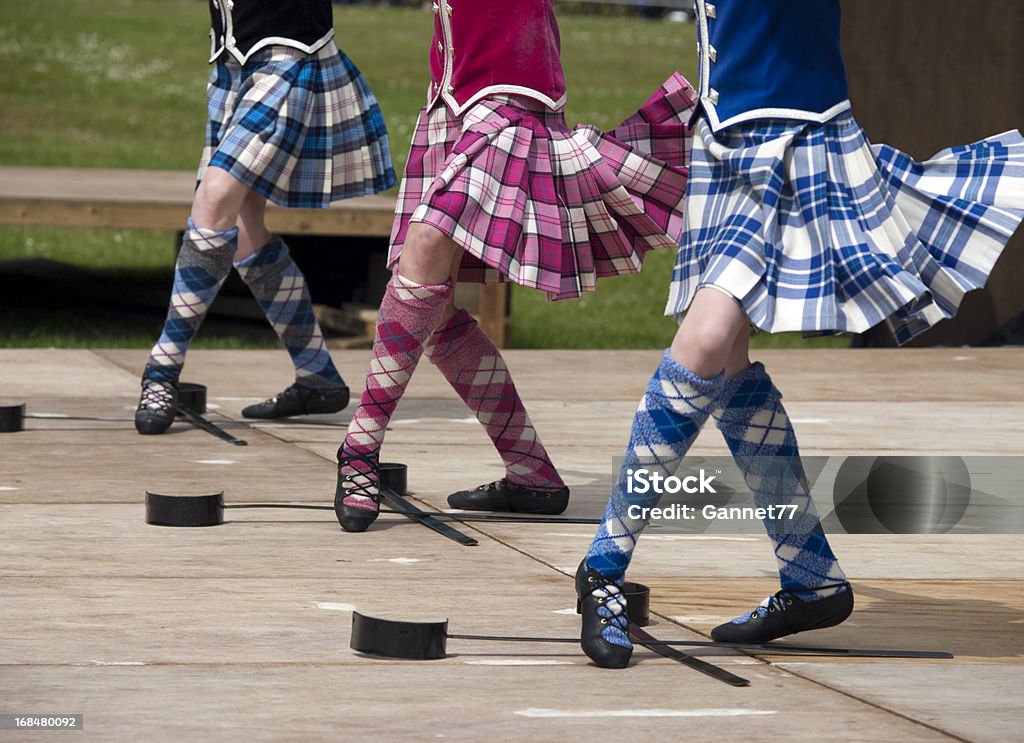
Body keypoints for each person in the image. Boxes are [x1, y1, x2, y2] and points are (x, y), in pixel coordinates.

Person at [577, 0, 1024, 668]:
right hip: (725, 146)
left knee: (703, 341)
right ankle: (810, 573)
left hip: (794, 143)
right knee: (724, 362)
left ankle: (602, 568)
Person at [332, 0, 696, 533]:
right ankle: (532, 474)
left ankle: (359, 448)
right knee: (428, 305)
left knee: (427, 245)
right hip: (454, 101)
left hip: (510, 99)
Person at [134, 0, 395, 435]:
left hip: (288, 60)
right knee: (244, 228)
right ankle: (318, 376)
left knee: (215, 199)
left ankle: (162, 369)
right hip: (232, 64)